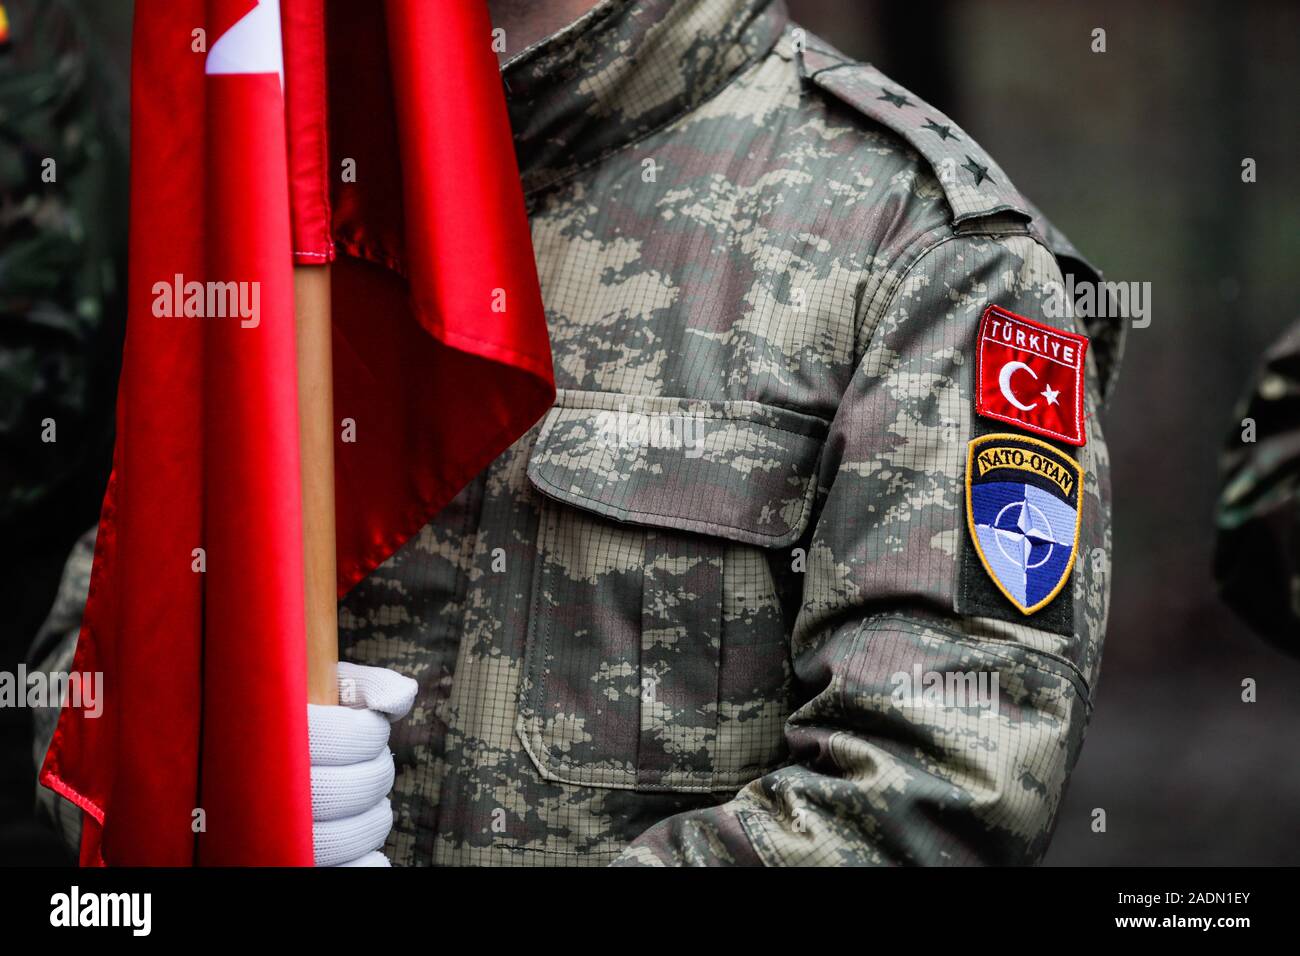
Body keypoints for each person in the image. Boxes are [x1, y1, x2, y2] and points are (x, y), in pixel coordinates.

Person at [39, 0, 1123, 866]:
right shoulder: (292, 179)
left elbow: (938, 790)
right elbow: (84, 673)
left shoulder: (925, 250)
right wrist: (211, 792)